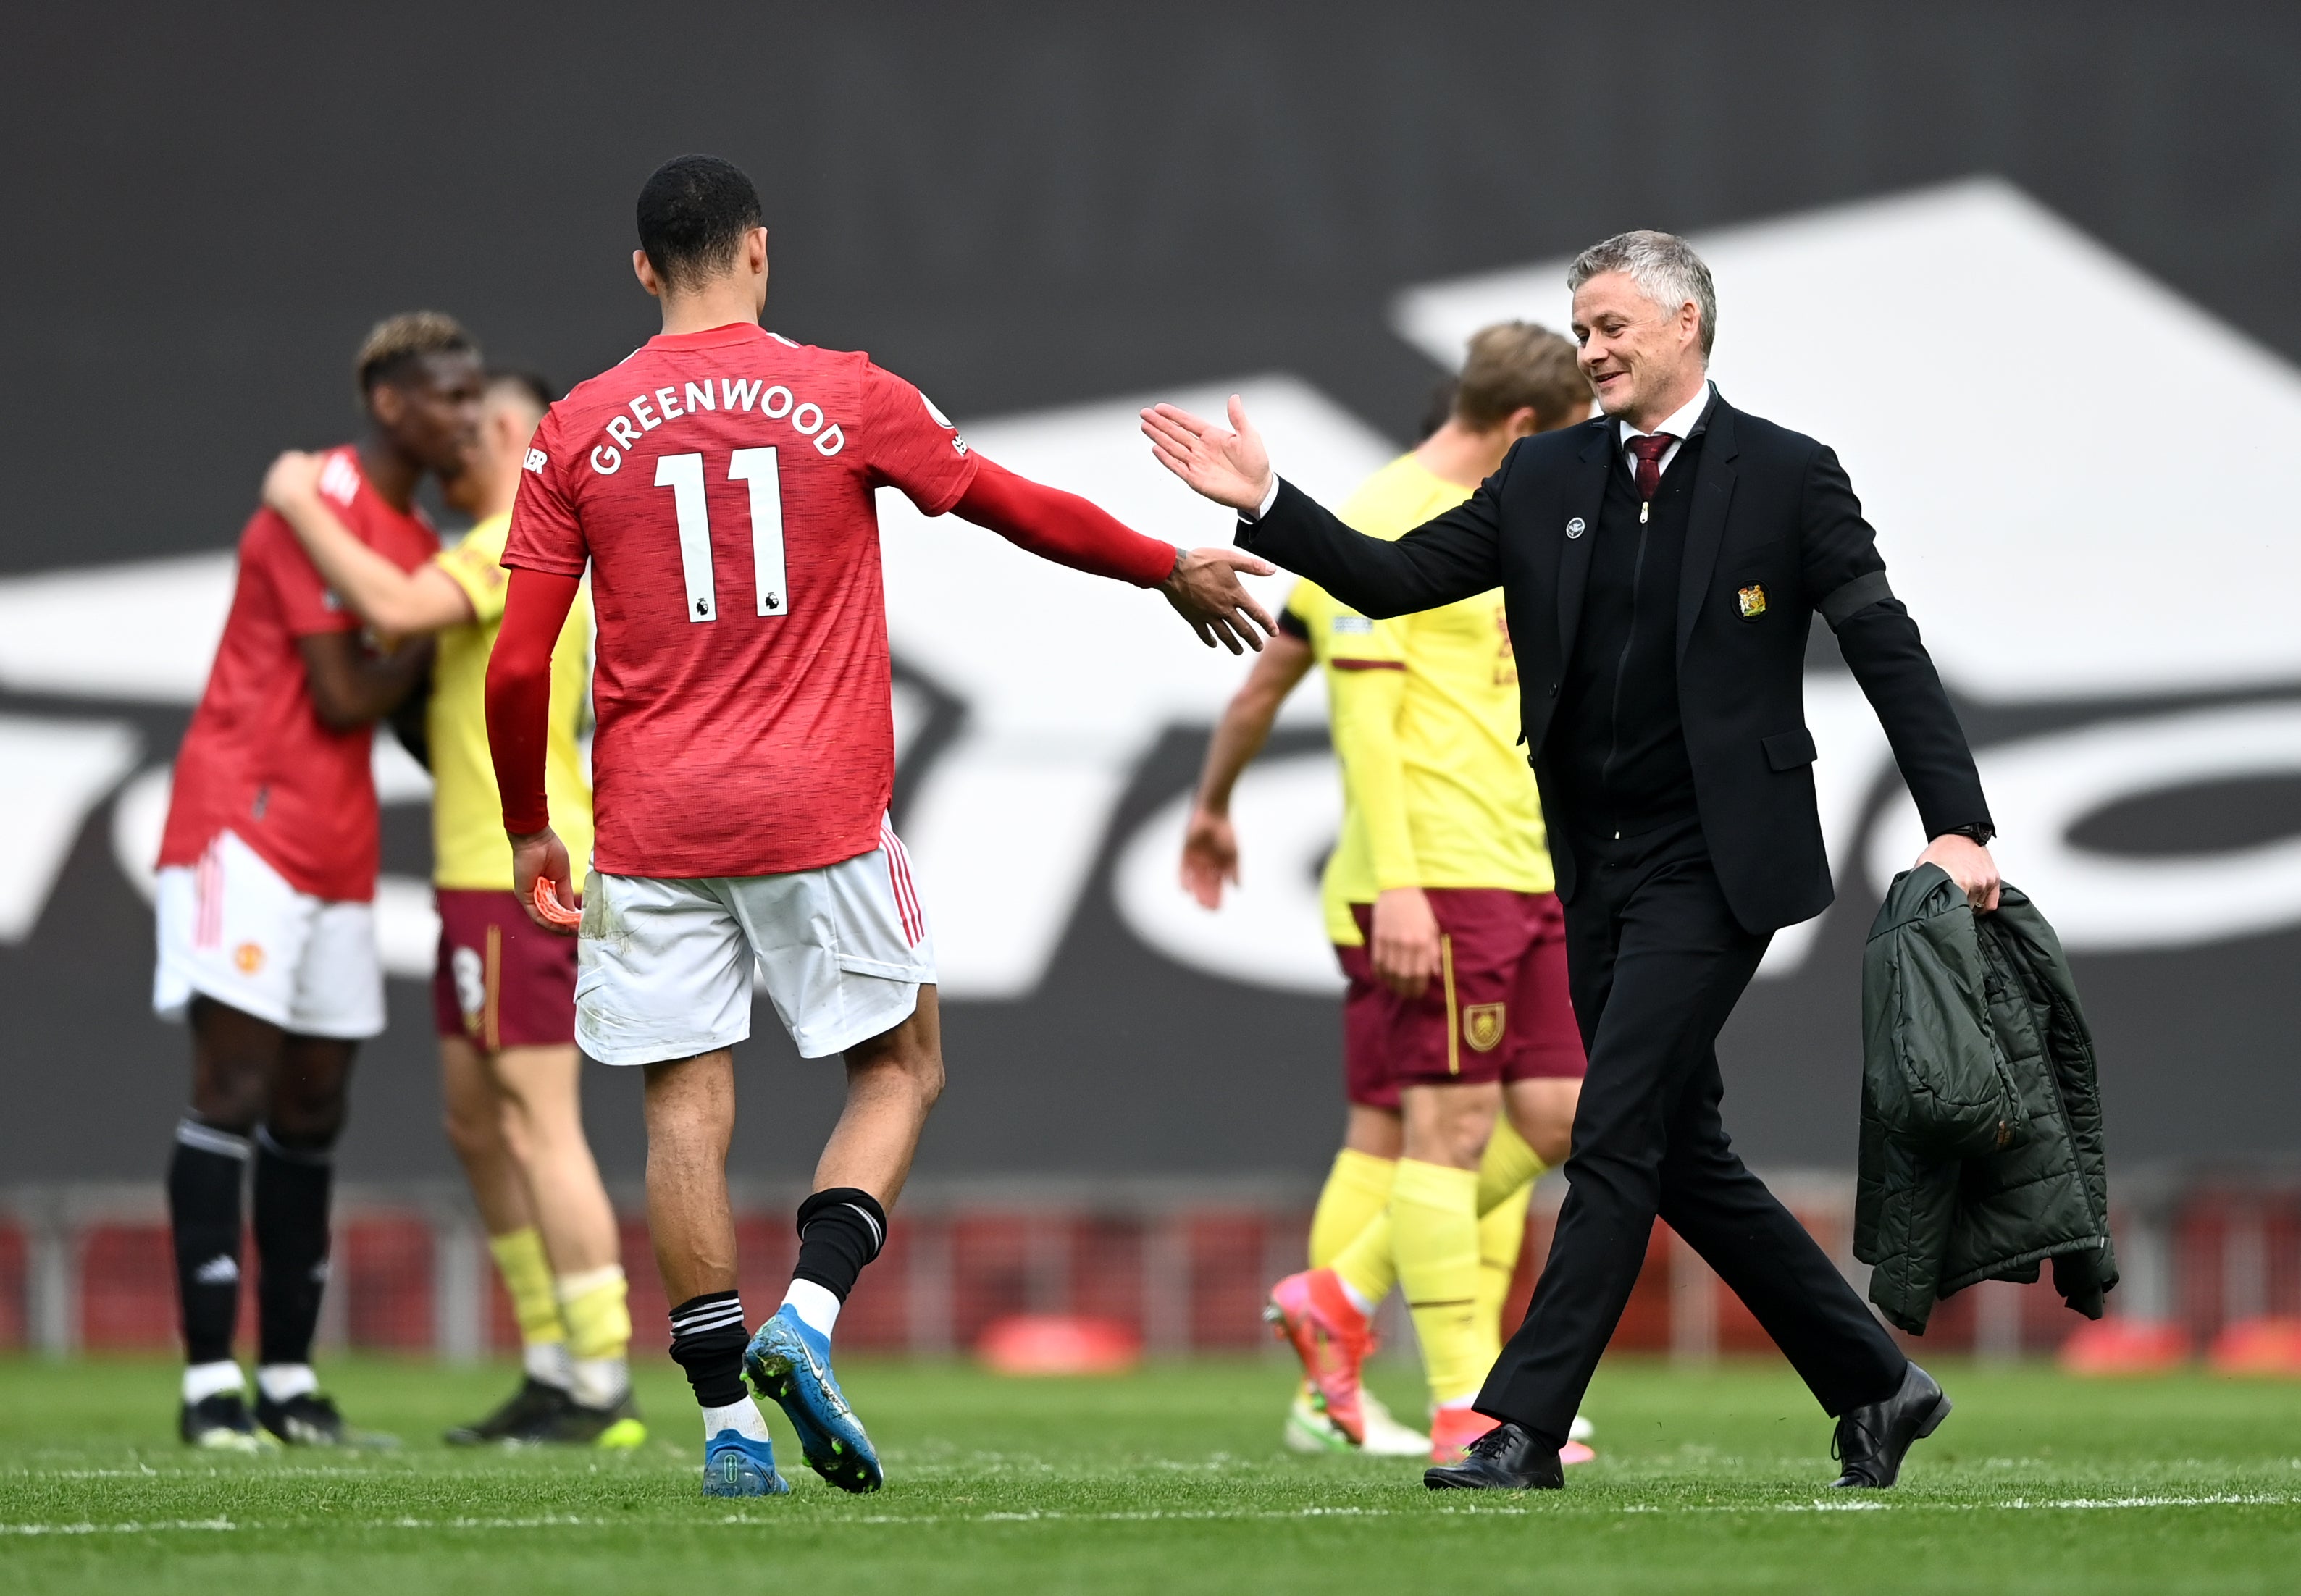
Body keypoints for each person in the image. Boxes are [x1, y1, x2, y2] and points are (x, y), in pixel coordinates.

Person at [1144, 229, 1999, 1492]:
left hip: (1719, 866)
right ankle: (1878, 1386)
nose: (1590, 348)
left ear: (1685, 327)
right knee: (1679, 1156)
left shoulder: (1788, 475)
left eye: (1609, 327)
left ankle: (1521, 1427)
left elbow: (1884, 644)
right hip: (1589, 863)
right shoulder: (1542, 473)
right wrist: (1269, 501)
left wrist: (1957, 819)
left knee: (1607, 1133)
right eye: (1581, 327)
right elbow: (1390, 580)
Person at [484, 154, 1276, 1499]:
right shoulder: (844, 390)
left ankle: (729, 1429)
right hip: (817, 809)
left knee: (684, 1108)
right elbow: (1007, 503)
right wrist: (1165, 564)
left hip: (652, 821)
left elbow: (515, 666)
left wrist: (527, 828)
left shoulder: (575, 425)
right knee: (901, 1068)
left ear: (639, 270)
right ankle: (810, 1316)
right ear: (757, 249)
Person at [1183, 324, 1593, 1466]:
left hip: (1530, 863)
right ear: (1521, 429)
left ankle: (1342, 1300)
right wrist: (1400, 885)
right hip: (1435, 873)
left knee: (1559, 1119)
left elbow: (1268, 686)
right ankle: (1467, 1397)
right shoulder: (1380, 515)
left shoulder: (1511, 517)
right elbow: (1356, 722)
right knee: (1440, 1130)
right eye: (1565, 442)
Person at [261, 371, 642, 1448]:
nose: (464, 438)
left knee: (539, 1121)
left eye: (483, 423)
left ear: (522, 434)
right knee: (476, 1125)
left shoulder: (505, 545)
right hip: (474, 876)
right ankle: (551, 1360)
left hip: (523, 876)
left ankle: (602, 1379)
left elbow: (388, 607)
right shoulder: (485, 544)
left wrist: (297, 502)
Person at [155, 313, 482, 1449]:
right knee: (232, 1092)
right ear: (392, 403)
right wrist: (445, 628)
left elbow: (393, 712)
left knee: (312, 1107)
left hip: (337, 847)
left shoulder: (410, 528)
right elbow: (347, 693)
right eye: (449, 394)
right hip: (244, 825)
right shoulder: (316, 503)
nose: (470, 415)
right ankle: (209, 1385)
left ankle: (288, 1382)